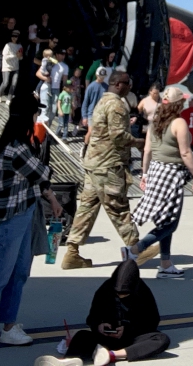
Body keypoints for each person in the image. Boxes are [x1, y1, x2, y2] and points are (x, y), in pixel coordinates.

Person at [0, 90, 62, 354]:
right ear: (28, 115)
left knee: (19, 273)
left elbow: (37, 180)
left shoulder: (20, 144)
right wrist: (41, 147)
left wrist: (51, 198)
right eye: (36, 112)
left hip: (24, 213)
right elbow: (43, 172)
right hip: (10, 218)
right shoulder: (17, 147)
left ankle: (9, 327)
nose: (37, 117)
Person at [63, 71, 141, 269]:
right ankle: (137, 248)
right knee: (118, 207)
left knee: (86, 209)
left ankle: (72, 252)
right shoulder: (116, 104)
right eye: (127, 83)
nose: (130, 86)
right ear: (117, 84)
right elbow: (118, 136)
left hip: (94, 164)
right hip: (108, 165)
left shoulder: (102, 101)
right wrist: (139, 142)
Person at [36, 257, 171, 366]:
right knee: (82, 335)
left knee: (161, 339)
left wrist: (128, 329)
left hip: (131, 338)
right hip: (106, 339)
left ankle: (111, 355)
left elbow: (152, 322)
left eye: (125, 294)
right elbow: (92, 317)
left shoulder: (143, 292)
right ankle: (68, 360)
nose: (121, 296)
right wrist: (99, 326)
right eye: (118, 293)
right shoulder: (105, 289)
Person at [128, 87, 193, 279]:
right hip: (171, 173)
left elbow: (147, 150)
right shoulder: (179, 122)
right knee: (171, 223)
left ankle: (165, 264)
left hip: (155, 170)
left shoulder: (155, 121)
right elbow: (185, 152)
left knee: (164, 220)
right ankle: (136, 249)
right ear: (179, 104)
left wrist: (145, 174)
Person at [0, 30, 23, 102]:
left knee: (14, 84)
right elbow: (5, 57)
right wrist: (15, 55)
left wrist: (20, 56)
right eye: (13, 36)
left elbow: (21, 58)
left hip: (15, 67)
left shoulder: (20, 46)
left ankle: (9, 98)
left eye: (16, 37)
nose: (14, 38)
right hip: (7, 66)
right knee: (5, 83)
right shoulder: (7, 45)